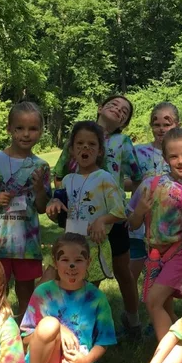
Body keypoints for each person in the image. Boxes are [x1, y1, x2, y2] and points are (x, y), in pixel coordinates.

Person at [52, 95, 143, 337]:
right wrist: (59, 197)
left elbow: (136, 177)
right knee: (85, 268)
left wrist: (120, 187)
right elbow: (59, 174)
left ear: (123, 123)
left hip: (112, 216)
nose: (118, 110)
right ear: (100, 108)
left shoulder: (123, 142)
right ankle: (82, 322)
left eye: (124, 111)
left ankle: (133, 322)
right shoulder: (77, 137)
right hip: (80, 219)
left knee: (123, 270)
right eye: (114, 105)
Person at [127, 128, 182, 339]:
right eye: (174, 156)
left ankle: (165, 357)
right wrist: (139, 211)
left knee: (154, 301)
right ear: (166, 158)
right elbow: (132, 224)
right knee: (164, 307)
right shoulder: (152, 184)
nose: (181, 161)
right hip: (155, 256)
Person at [20, 234, 117, 363]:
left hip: (76, 361)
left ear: (88, 262)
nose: (71, 266)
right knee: (50, 324)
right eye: (65, 259)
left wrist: (85, 361)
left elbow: (104, 341)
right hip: (45, 362)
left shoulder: (96, 298)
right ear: (55, 263)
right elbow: (26, 338)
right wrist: (60, 329)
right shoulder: (43, 293)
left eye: (78, 260)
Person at [0, 101, 49, 318]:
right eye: (20, 128)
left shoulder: (40, 165)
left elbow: (41, 207)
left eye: (33, 129)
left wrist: (40, 189)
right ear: (9, 128)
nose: (26, 134)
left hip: (26, 244)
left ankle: (24, 329)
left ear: (40, 131)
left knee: (25, 290)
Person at [46, 122, 125, 284]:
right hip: (68, 245)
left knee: (86, 292)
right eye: (80, 143)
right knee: (53, 282)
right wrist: (53, 206)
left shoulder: (104, 178)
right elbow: (61, 217)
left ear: (100, 151)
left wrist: (101, 220)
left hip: (93, 247)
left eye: (92, 144)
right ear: (72, 150)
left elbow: (119, 211)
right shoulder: (68, 180)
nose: (85, 148)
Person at [130, 102, 180, 281]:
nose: (161, 129)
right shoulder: (138, 152)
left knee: (164, 274)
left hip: (168, 222)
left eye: (167, 124)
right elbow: (125, 181)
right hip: (140, 219)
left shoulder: (181, 152)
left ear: (178, 125)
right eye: (156, 124)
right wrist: (142, 183)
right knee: (132, 271)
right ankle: (132, 308)